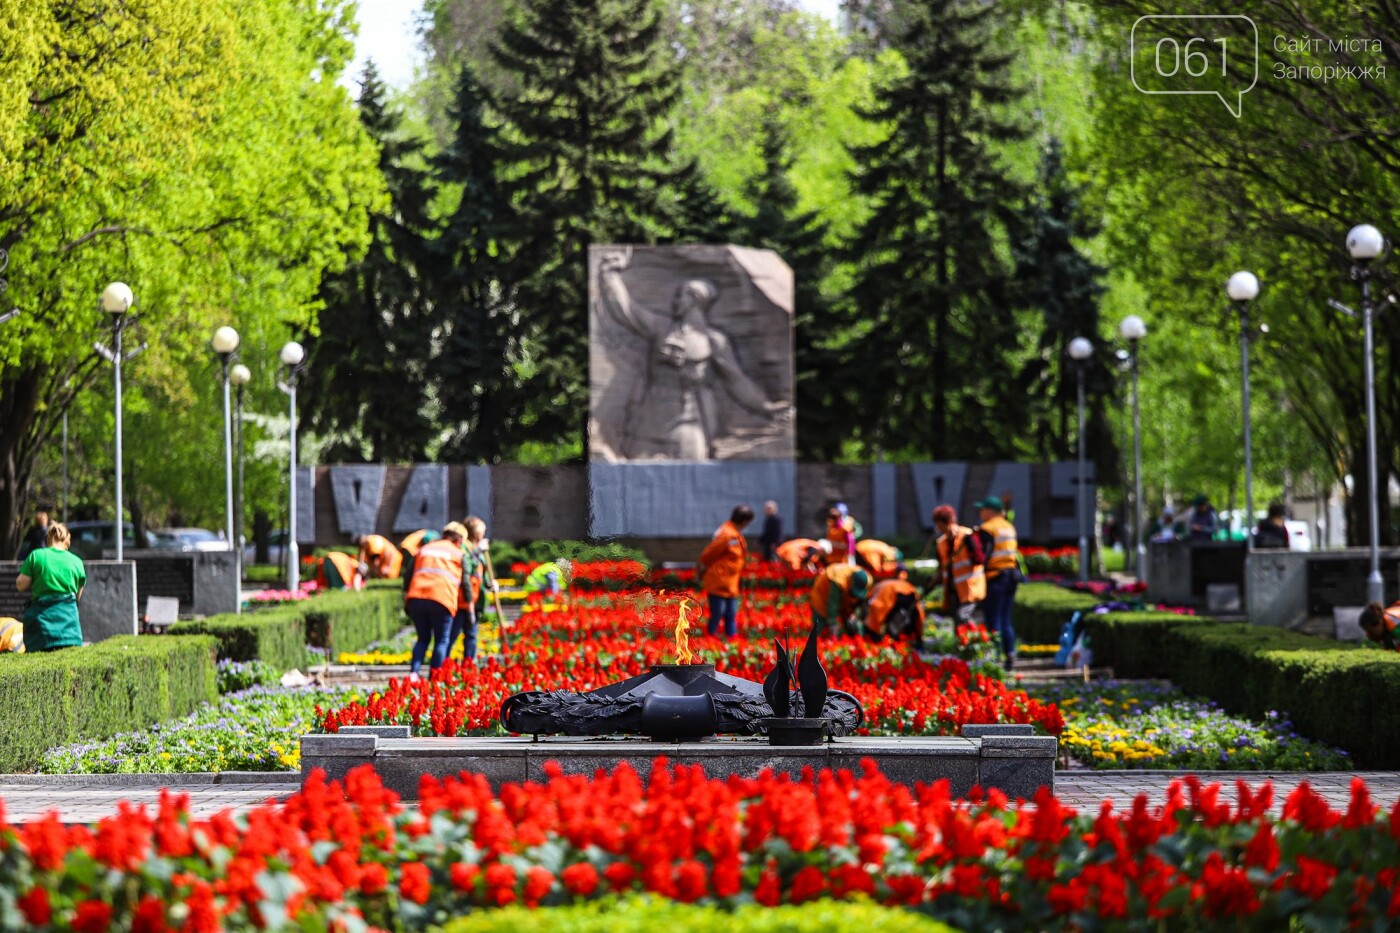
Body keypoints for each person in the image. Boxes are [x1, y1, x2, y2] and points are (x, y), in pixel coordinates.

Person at [596, 248, 792, 459]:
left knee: (693, 464)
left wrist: (766, 407)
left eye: (680, 296)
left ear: (694, 300)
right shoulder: (661, 327)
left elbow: (737, 381)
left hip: (688, 418)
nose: (675, 301)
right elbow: (625, 310)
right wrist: (610, 275)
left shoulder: (713, 340)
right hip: (649, 418)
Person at [404, 522, 470, 680]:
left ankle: (414, 673)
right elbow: (466, 584)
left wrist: (407, 595)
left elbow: (408, 575)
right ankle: (434, 677)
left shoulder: (425, 549)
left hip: (417, 597)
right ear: (459, 540)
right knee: (441, 640)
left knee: (422, 638)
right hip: (442, 599)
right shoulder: (458, 554)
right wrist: (469, 605)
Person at [15, 522, 85, 652]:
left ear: (48, 539)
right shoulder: (77, 561)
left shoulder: (36, 556)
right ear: (66, 541)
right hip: (70, 631)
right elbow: (78, 598)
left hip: (41, 631)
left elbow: (21, 585)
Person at [975, 496, 1021, 668]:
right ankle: (1010, 654)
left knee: (993, 619)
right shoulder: (1009, 526)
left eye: (982, 509)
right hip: (1011, 576)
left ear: (990, 511)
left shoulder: (987, 528)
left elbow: (982, 556)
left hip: (995, 577)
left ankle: (995, 659)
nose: (980, 513)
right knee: (1006, 618)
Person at [698, 505, 753, 638]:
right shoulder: (727, 534)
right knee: (717, 614)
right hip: (719, 582)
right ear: (744, 521)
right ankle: (711, 640)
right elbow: (708, 554)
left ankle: (731, 641)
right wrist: (701, 569)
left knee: (730, 614)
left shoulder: (733, 532)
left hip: (730, 583)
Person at [450, 517, 496, 662]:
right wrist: (478, 552)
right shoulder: (465, 547)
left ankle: (468, 666)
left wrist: (490, 583)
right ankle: (441, 666)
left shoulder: (477, 549)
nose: (483, 534)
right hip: (462, 600)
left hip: (476, 599)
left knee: (471, 634)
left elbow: (481, 572)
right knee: (453, 635)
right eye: (481, 531)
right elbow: (467, 569)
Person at [933, 505, 985, 623]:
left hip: (969, 588)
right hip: (953, 591)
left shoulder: (968, 536)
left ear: (950, 522)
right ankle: (964, 640)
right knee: (957, 621)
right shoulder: (941, 543)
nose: (939, 528)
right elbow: (941, 569)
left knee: (963, 617)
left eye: (941, 525)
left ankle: (976, 639)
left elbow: (980, 560)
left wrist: (971, 546)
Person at [809, 563, 870, 635]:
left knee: (850, 627)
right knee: (819, 627)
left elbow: (861, 600)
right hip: (821, 596)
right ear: (850, 580)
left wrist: (855, 613)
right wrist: (832, 623)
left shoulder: (867, 580)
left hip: (843, 596)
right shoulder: (838, 580)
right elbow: (833, 604)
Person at [865, 574, 925, 647]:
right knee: (909, 618)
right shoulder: (881, 589)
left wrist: (875, 635)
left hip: (897, 594)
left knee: (895, 622)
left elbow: (876, 612)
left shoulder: (874, 593)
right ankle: (907, 639)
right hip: (908, 593)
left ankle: (895, 639)